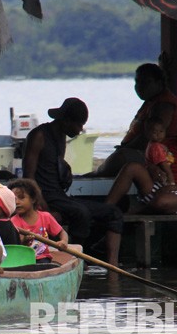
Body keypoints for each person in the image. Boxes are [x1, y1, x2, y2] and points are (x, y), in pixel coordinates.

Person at [22, 97, 122, 266]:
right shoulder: (39, 135)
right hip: (46, 197)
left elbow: (54, 164)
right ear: (66, 121)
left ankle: (112, 266)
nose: (80, 129)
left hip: (60, 196)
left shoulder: (61, 136)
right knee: (81, 212)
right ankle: (77, 259)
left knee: (113, 213)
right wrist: (41, 205)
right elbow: (28, 176)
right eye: (79, 124)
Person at [105, 106, 177, 214]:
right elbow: (150, 160)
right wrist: (152, 168)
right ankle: (106, 208)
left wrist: (172, 187)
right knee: (131, 167)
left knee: (161, 201)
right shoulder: (169, 143)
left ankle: (135, 212)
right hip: (163, 188)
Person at [94, 61, 177, 177]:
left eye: (146, 82)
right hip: (144, 152)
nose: (140, 86)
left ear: (159, 83)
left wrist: (126, 148)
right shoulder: (151, 101)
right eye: (137, 82)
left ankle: (95, 175)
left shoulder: (164, 104)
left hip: (160, 156)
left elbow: (150, 136)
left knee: (121, 157)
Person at [8, 178, 68, 264]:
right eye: (13, 199)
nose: (16, 202)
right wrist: (24, 241)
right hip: (22, 260)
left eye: (21, 198)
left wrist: (64, 242)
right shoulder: (13, 222)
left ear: (33, 199)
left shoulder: (45, 217)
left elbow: (62, 232)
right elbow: (15, 245)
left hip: (43, 258)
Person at [144, 116, 176, 187]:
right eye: (155, 132)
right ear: (147, 134)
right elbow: (164, 165)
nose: (158, 135)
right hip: (161, 177)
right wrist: (172, 182)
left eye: (161, 131)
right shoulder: (156, 147)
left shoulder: (151, 144)